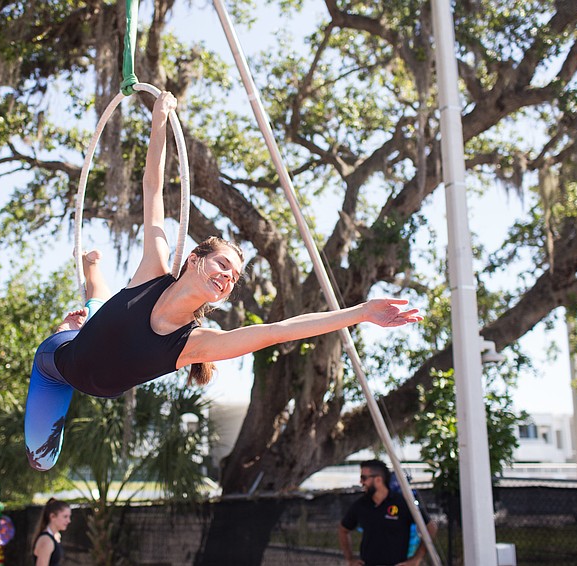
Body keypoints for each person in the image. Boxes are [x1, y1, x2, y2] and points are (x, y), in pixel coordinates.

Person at [24, 91, 423, 471]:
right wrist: (159, 122)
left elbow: (280, 331)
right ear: (195, 258)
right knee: (47, 438)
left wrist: (362, 313)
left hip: (96, 361)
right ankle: (85, 288)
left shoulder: (195, 345)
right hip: (57, 365)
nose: (229, 277)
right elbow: (153, 189)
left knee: (95, 322)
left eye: (234, 276)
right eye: (223, 264)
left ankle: (88, 295)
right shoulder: (155, 268)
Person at [338, 459, 437, 566]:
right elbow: (343, 529)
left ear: (378, 480)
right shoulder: (361, 505)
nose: (361, 482)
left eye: (364, 478)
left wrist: (417, 558)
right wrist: (350, 559)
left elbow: (431, 527)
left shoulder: (402, 503)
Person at [31, 498, 71, 566]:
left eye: (69, 517)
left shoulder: (54, 537)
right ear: (52, 516)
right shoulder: (47, 540)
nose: (69, 521)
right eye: (65, 517)